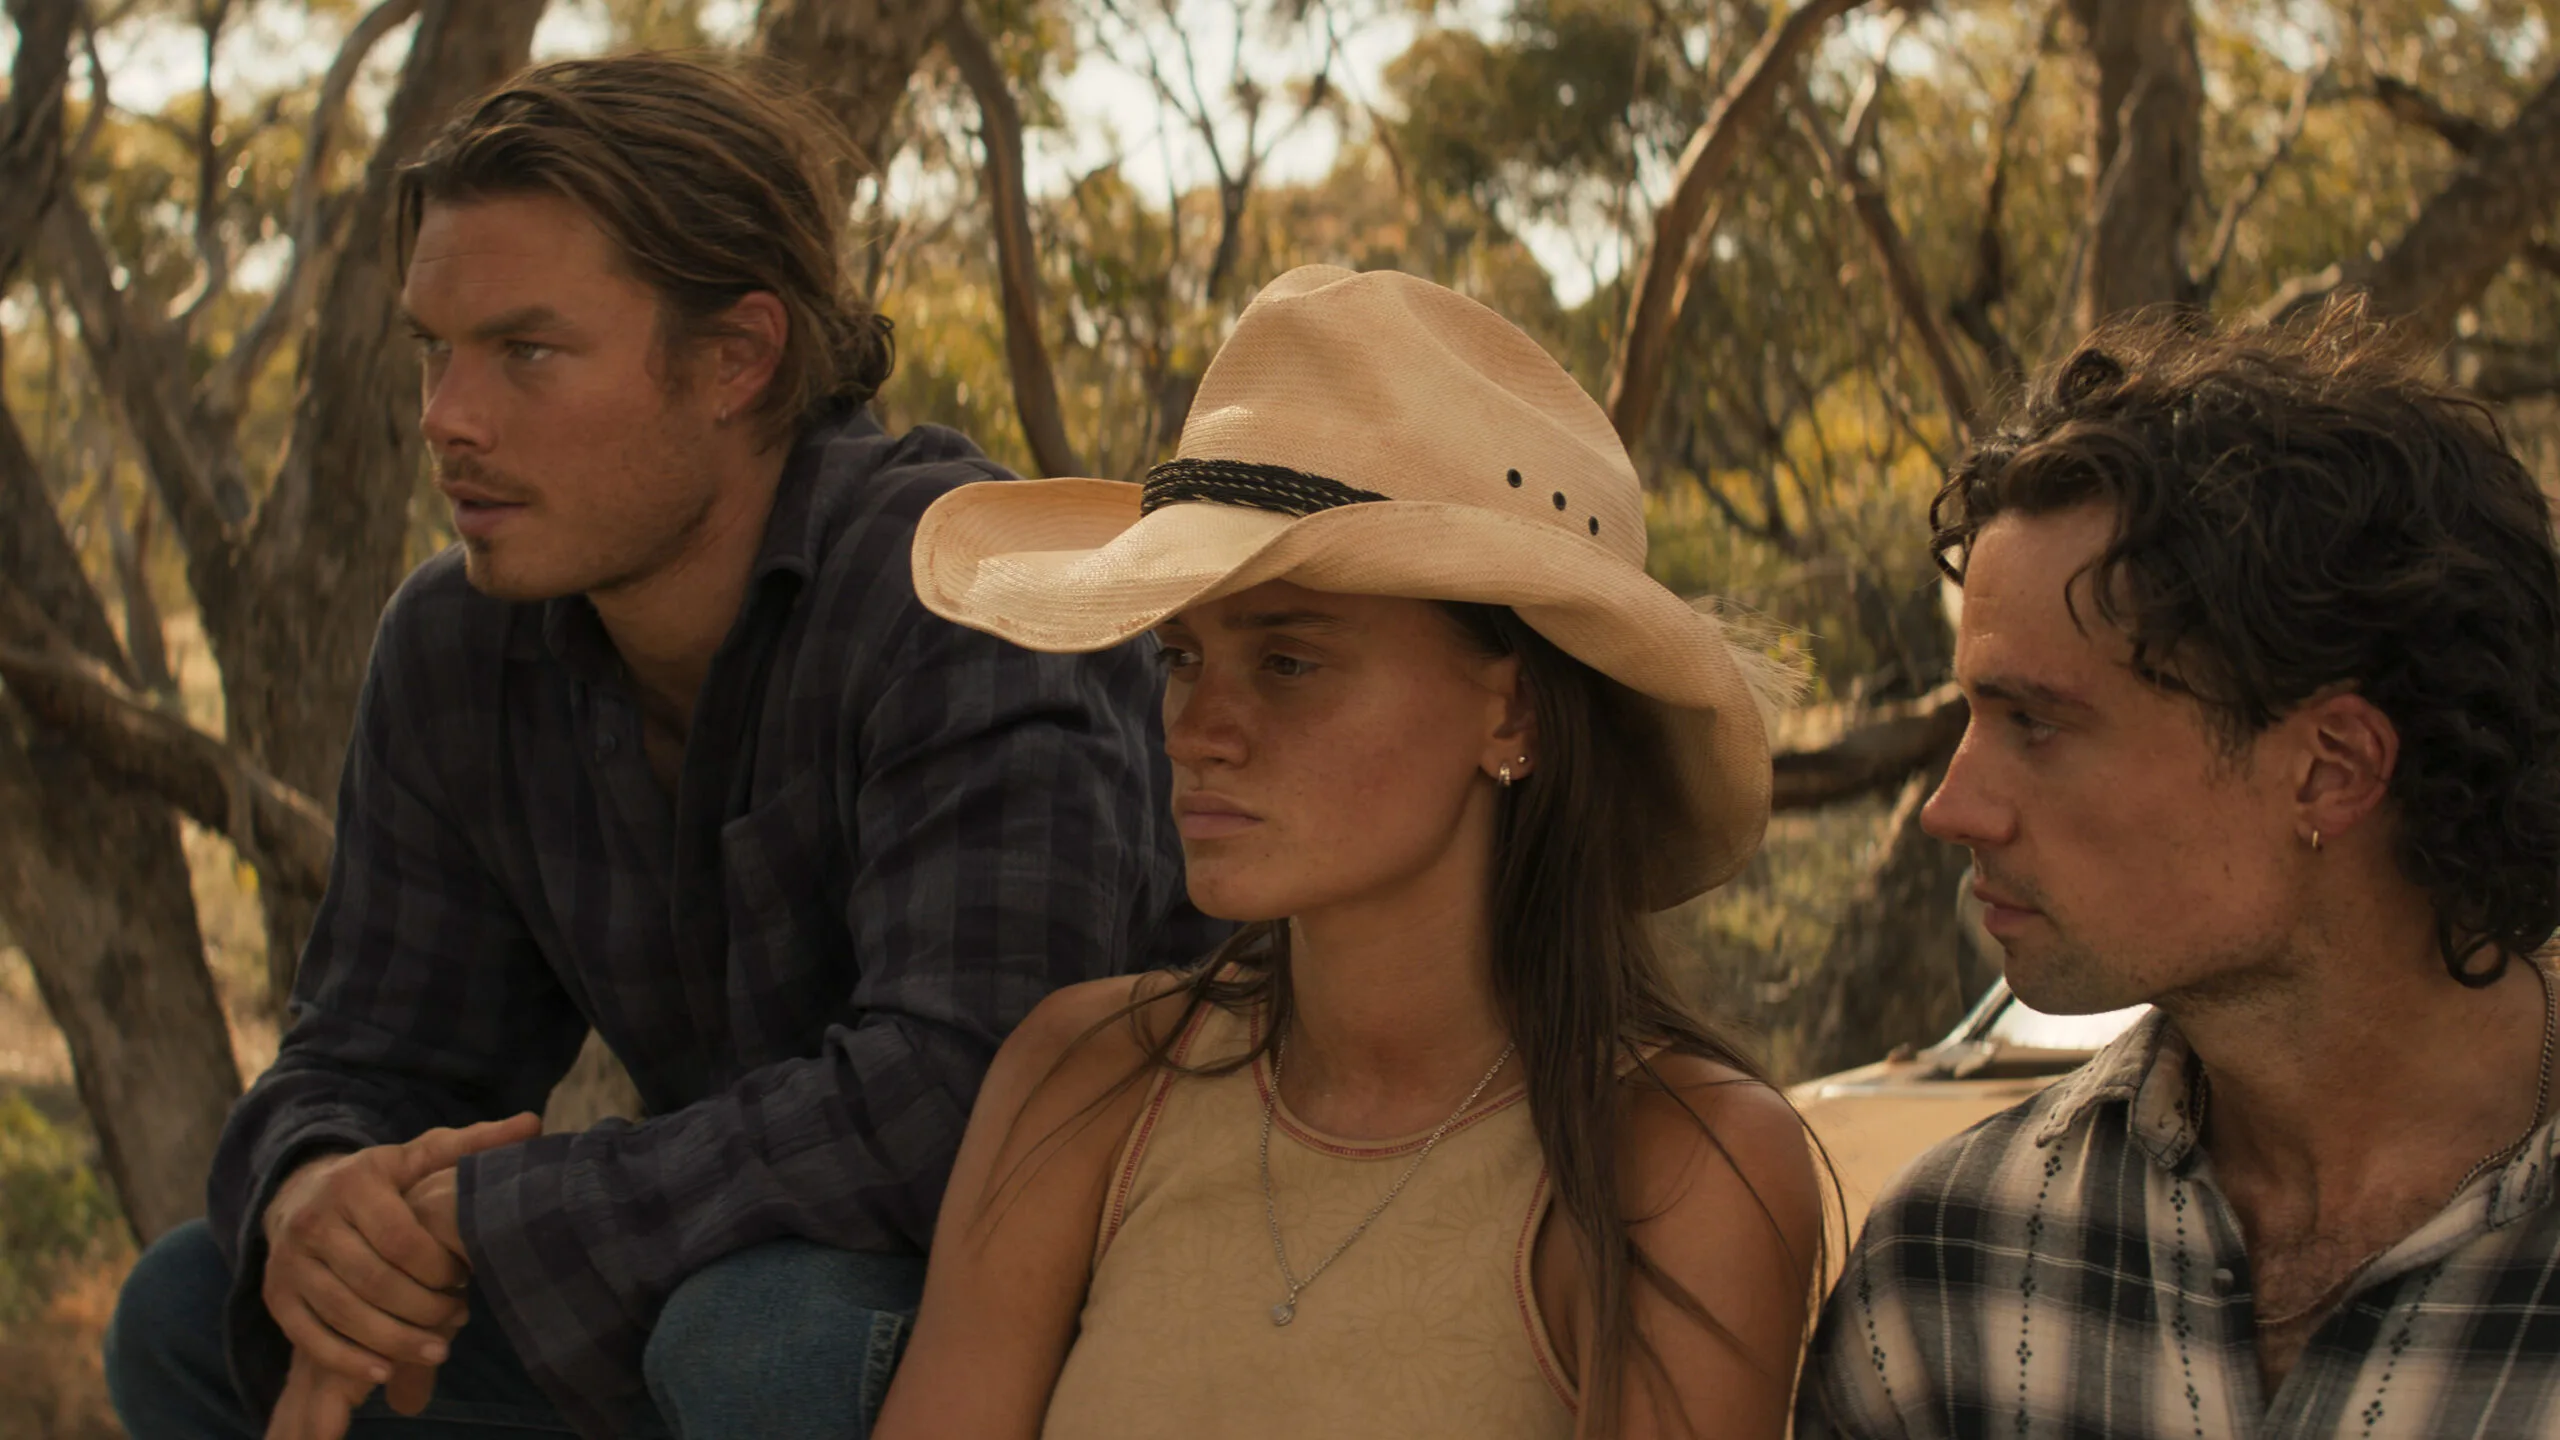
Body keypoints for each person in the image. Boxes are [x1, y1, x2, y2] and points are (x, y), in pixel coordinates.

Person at [101, 53, 1214, 1440]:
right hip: (711, 1266)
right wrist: (323, 1195)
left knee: (764, 1340)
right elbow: (370, 1050)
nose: (448, 417)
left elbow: (962, 1097)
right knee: (199, 1311)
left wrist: (499, 1215)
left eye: (526, 352)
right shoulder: (460, 649)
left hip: (1080, 1293)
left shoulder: (963, 590)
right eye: (433, 352)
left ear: (738, 358)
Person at [871, 264, 1824, 1440]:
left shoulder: (1676, 1164)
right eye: (1180, 657)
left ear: (1514, 715)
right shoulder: (1084, 1082)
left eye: (1288, 661)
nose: (1199, 729)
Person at [1794, 305, 2560, 1438]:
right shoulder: (1951, 1268)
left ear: (2329, 769)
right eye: (1970, 715)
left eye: (2035, 724)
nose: (1951, 809)